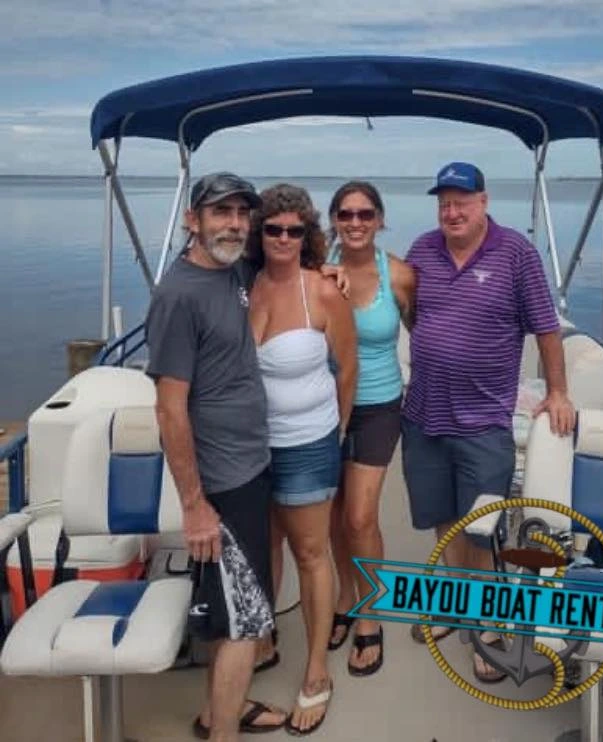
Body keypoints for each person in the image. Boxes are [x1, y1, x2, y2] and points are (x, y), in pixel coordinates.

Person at [402, 161, 576, 682]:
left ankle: (488, 628)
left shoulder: (516, 253)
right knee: (441, 520)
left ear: (484, 201)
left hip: (482, 420)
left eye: (462, 201)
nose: (451, 212)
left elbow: (546, 329)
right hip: (424, 413)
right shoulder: (422, 249)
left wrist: (560, 392)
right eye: (444, 202)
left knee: (480, 532)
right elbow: (412, 314)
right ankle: (452, 606)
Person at [145, 172, 288, 742]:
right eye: (220, 212)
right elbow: (170, 411)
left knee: (233, 610)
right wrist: (196, 506)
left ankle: (217, 710)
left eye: (240, 213)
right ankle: (223, 733)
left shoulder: (231, 275)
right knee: (244, 623)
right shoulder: (179, 295)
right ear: (192, 220)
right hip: (221, 487)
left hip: (249, 468)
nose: (233, 223)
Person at [246, 183, 357, 735]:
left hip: (308, 444)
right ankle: (263, 636)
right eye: (273, 229)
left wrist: (333, 432)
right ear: (257, 233)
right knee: (262, 547)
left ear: (307, 234)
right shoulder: (243, 286)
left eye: (294, 229)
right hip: (248, 449)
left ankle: (316, 672)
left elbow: (348, 368)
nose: (284, 238)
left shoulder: (324, 291)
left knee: (311, 553)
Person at [325, 181, 415, 676]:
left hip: (379, 405)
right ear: (334, 220)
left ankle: (370, 616)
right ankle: (345, 595)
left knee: (360, 517)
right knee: (335, 515)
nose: (355, 223)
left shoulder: (398, 275)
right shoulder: (316, 272)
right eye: (345, 214)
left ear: (380, 219)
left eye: (365, 214)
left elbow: (429, 333)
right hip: (323, 410)